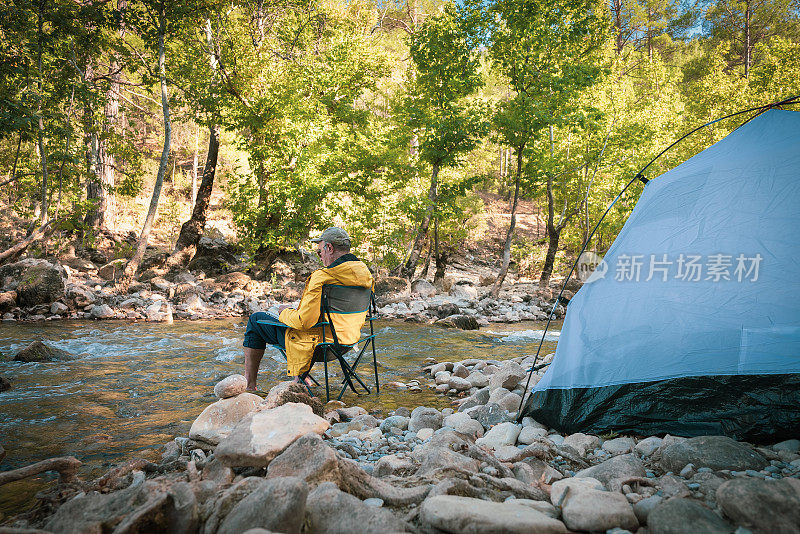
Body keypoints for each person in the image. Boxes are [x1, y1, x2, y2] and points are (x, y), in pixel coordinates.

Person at [243, 226, 374, 391]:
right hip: (348, 342)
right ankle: (302, 378)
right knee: (313, 324)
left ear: (329, 248)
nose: (320, 257)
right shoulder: (366, 275)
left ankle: (249, 387)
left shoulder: (323, 277)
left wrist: (284, 311)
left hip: (320, 347)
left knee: (256, 320)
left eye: (320, 252)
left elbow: (303, 322)